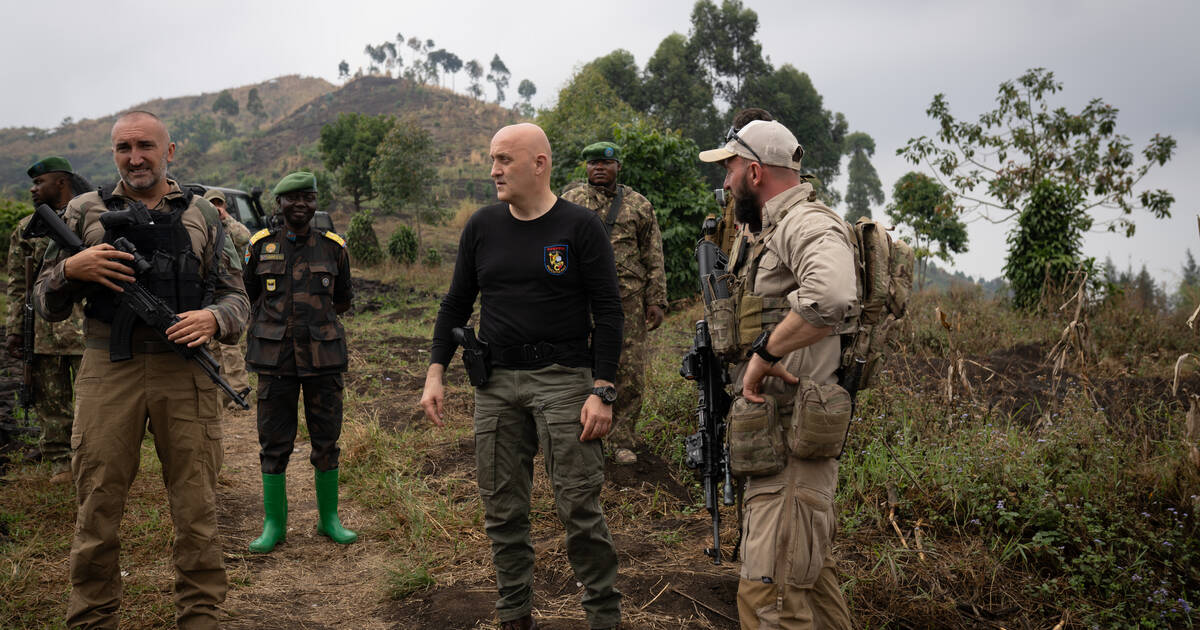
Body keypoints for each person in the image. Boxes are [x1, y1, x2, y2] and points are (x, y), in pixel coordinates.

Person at [34, 110, 249, 629]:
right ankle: (91, 617)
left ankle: (200, 617)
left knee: (197, 509)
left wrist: (213, 318)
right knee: (98, 506)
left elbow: (238, 300)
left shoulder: (204, 215)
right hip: (109, 366)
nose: (135, 158)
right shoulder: (84, 211)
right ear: (113, 154)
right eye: (124, 148)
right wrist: (71, 268)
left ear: (168, 151)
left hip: (185, 371)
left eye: (146, 146)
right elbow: (41, 301)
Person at [420, 123, 625, 630]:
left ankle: (603, 616)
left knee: (578, 505)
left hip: (564, 381)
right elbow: (455, 304)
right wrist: (435, 370)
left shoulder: (579, 227)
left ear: (540, 164)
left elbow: (609, 310)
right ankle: (515, 615)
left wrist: (601, 389)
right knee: (503, 509)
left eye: (504, 160)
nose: (493, 170)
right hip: (496, 385)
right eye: (492, 159)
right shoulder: (482, 226)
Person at [698, 119, 857, 628]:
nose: (724, 184)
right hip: (776, 442)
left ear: (754, 170)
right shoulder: (764, 232)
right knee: (808, 588)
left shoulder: (805, 223)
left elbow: (831, 294)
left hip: (792, 442)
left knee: (770, 603)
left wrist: (765, 355)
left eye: (728, 171)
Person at [243, 171, 355, 553]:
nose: (301, 205)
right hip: (275, 359)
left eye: (308, 197)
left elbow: (342, 300)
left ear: (314, 202)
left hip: (323, 359)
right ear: (280, 204)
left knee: (327, 439)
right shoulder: (260, 246)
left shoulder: (334, 247)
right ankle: (274, 524)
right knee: (274, 443)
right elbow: (250, 294)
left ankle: (330, 520)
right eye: (293, 199)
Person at [560, 141, 666, 465]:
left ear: (618, 166)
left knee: (629, 372)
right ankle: (580, 435)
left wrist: (657, 299)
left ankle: (622, 440)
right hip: (580, 300)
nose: (599, 168)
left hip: (628, 302)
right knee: (579, 367)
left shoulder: (638, 205)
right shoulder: (569, 202)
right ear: (586, 168)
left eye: (606, 163)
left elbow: (653, 254)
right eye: (593, 163)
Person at [5, 157, 89, 482]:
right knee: (50, 400)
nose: (33, 189)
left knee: (92, 401)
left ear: (61, 183)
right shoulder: (26, 229)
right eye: (32, 183)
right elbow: (16, 285)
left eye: (40, 183)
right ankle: (60, 461)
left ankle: (91, 458)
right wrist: (15, 330)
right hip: (42, 330)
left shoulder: (89, 220)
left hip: (85, 329)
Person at [203, 188, 253, 408]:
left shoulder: (230, 228)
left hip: (229, 291)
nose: (216, 207)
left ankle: (240, 390)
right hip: (208, 292)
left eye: (219, 203)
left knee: (229, 345)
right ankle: (224, 392)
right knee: (212, 346)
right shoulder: (202, 227)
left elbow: (246, 237)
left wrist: (225, 218)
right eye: (211, 204)